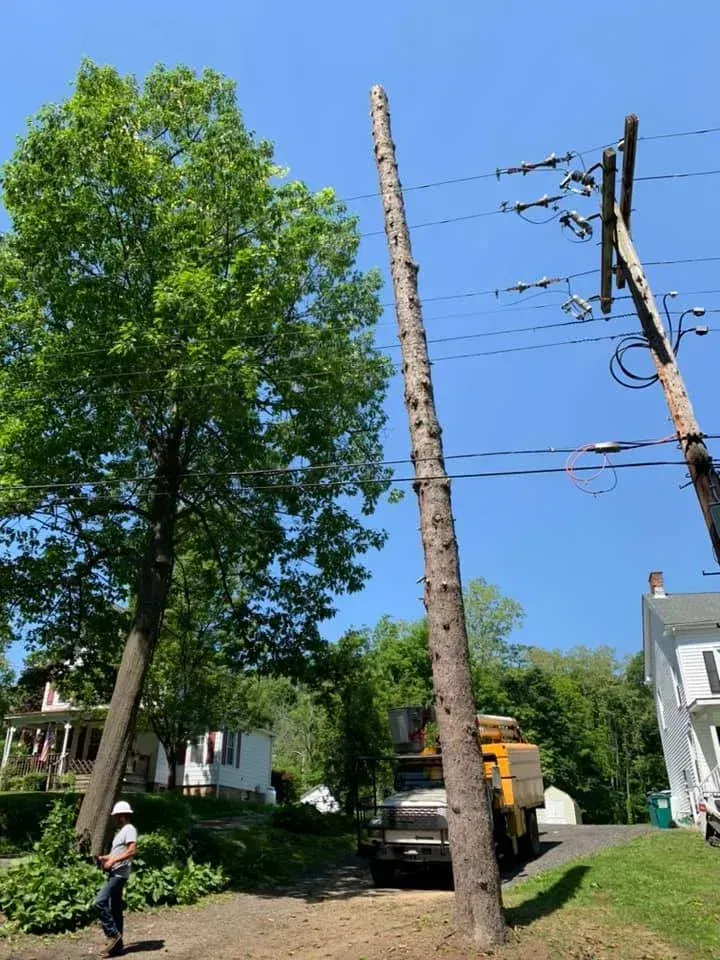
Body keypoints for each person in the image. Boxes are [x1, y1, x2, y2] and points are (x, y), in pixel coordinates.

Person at [95, 800, 138, 957]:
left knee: (100, 901)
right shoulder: (121, 832)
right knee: (116, 909)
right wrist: (104, 858)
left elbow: (132, 851)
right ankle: (118, 947)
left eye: (115, 816)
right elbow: (117, 853)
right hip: (115, 873)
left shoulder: (129, 829)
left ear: (121, 816)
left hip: (120, 874)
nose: (114, 819)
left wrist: (113, 861)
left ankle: (113, 935)